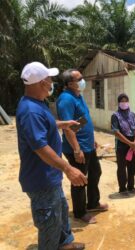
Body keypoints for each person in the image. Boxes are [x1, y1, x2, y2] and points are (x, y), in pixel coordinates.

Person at [16, 62, 86, 250]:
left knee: (61, 212)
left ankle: (64, 244)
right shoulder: (31, 110)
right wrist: (68, 168)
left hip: (49, 176)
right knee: (49, 223)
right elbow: (40, 147)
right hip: (41, 180)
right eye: (49, 79)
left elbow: (45, 124)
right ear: (40, 82)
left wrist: (63, 124)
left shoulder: (37, 104)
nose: (51, 82)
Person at [56, 69, 108, 224]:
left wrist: (92, 139)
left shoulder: (78, 96)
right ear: (70, 83)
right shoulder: (66, 99)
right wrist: (77, 149)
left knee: (95, 173)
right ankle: (80, 212)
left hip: (88, 146)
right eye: (80, 79)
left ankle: (92, 203)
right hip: (77, 149)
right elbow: (68, 127)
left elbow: (82, 120)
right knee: (80, 180)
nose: (83, 81)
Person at [111, 93, 135, 196]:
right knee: (122, 167)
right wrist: (129, 143)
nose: (124, 103)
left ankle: (131, 186)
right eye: (122, 101)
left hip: (133, 144)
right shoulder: (115, 116)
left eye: (126, 101)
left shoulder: (132, 114)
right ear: (119, 103)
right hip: (122, 145)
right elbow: (116, 132)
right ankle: (122, 188)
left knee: (133, 167)